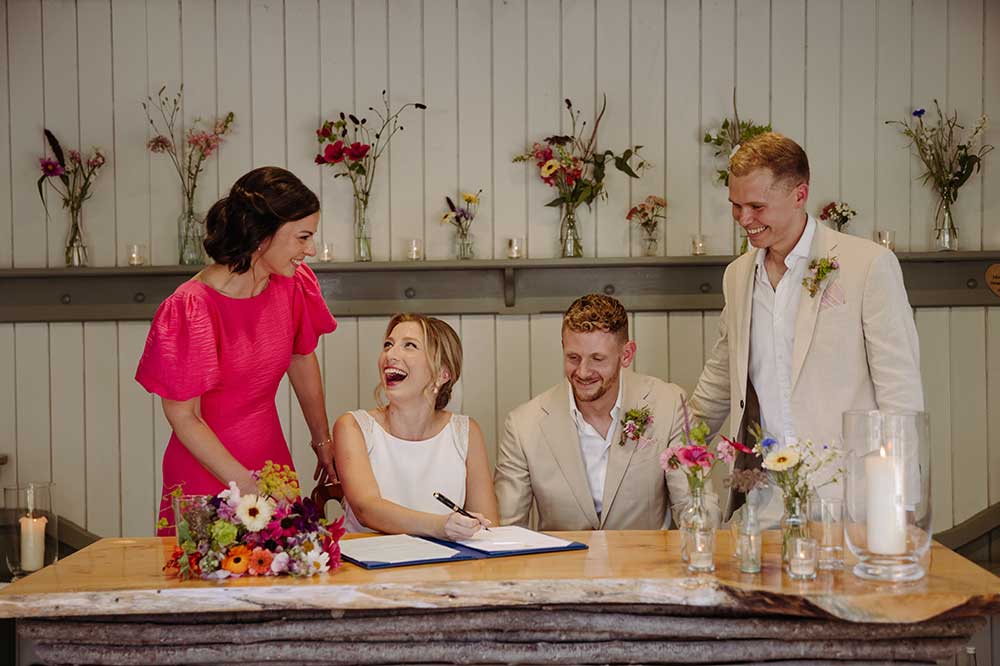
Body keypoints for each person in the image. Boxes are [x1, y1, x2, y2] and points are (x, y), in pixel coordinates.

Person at [688, 132, 923, 522]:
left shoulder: (868, 265)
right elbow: (721, 375)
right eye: (735, 206)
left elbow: (900, 393)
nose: (744, 219)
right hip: (766, 497)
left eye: (756, 206)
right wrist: (675, 447)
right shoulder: (737, 275)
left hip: (851, 496)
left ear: (800, 195)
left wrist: (904, 502)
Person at [136, 166, 338, 535]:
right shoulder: (191, 307)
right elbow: (185, 417)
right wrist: (246, 486)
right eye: (303, 237)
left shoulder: (291, 285)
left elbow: (300, 356)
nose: (310, 250)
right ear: (262, 234)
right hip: (204, 471)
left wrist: (322, 440)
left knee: (287, 567)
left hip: (271, 461)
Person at [494, 294, 714, 531]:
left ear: (626, 355)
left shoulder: (668, 405)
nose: (583, 372)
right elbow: (508, 532)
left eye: (597, 359)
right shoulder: (523, 425)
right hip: (560, 556)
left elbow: (695, 506)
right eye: (573, 358)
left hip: (647, 555)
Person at [332, 313, 498, 538]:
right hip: (369, 559)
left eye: (409, 345)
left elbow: (489, 526)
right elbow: (366, 508)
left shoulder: (466, 432)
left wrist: (470, 527)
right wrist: (440, 526)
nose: (390, 354)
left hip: (448, 561)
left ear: (443, 373)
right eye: (388, 345)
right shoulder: (353, 427)